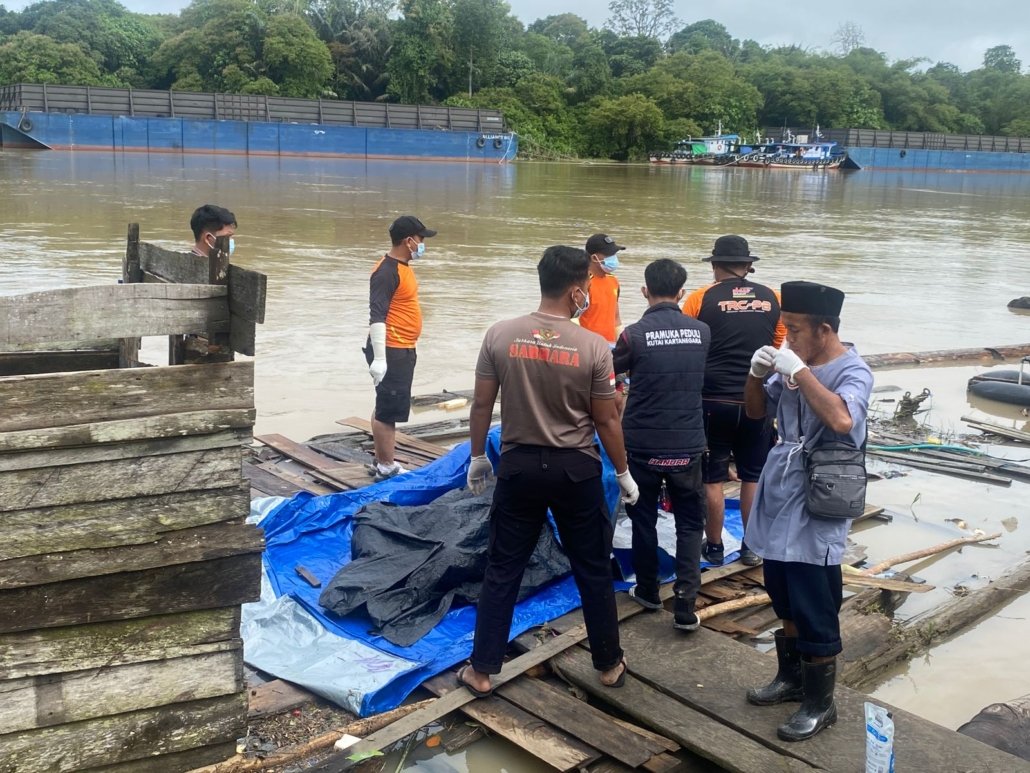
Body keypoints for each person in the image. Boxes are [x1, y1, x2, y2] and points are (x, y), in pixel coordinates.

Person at [459, 245, 640, 697]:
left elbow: (481, 404)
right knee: (592, 566)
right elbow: (606, 420)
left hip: (519, 466)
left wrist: (478, 455)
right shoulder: (593, 347)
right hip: (575, 469)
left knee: (504, 566)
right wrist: (622, 471)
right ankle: (608, 664)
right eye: (587, 289)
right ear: (577, 291)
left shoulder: (500, 335)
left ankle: (482, 670)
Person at [742, 280, 873, 742]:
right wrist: (756, 374)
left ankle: (821, 703)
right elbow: (755, 413)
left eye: (795, 329)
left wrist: (799, 372)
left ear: (824, 329)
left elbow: (841, 420)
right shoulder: (794, 361)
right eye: (785, 329)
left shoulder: (853, 371)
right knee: (781, 585)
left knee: (814, 593)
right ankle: (792, 678)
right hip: (782, 483)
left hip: (821, 490)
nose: (788, 338)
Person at [614, 259, 710, 631]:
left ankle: (648, 590)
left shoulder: (633, 335)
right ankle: (685, 604)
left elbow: (607, 372)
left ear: (644, 291)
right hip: (687, 444)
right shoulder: (702, 332)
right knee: (690, 523)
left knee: (643, 518)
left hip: (643, 445)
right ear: (682, 292)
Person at [682, 235, 786, 567]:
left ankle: (713, 547)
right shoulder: (774, 298)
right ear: (748, 266)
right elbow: (776, 347)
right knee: (752, 475)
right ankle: (751, 547)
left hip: (712, 400)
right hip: (757, 401)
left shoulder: (699, 298)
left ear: (715, 266)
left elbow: (688, 344)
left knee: (712, 477)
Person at [364, 215, 436, 481]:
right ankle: (386, 466)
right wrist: (380, 358)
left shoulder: (402, 267)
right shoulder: (386, 272)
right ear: (408, 241)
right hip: (391, 349)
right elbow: (377, 316)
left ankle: (381, 458)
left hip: (401, 348)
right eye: (421, 239)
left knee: (386, 404)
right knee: (389, 410)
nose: (423, 243)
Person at [579, 234, 625, 345]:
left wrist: (622, 341)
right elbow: (573, 318)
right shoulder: (583, 283)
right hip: (588, 345)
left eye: (614, 254)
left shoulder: (613, 281)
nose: (613, 257)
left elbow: (616, 317)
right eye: (609, 254)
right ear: (594, 258)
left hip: (610, 345)